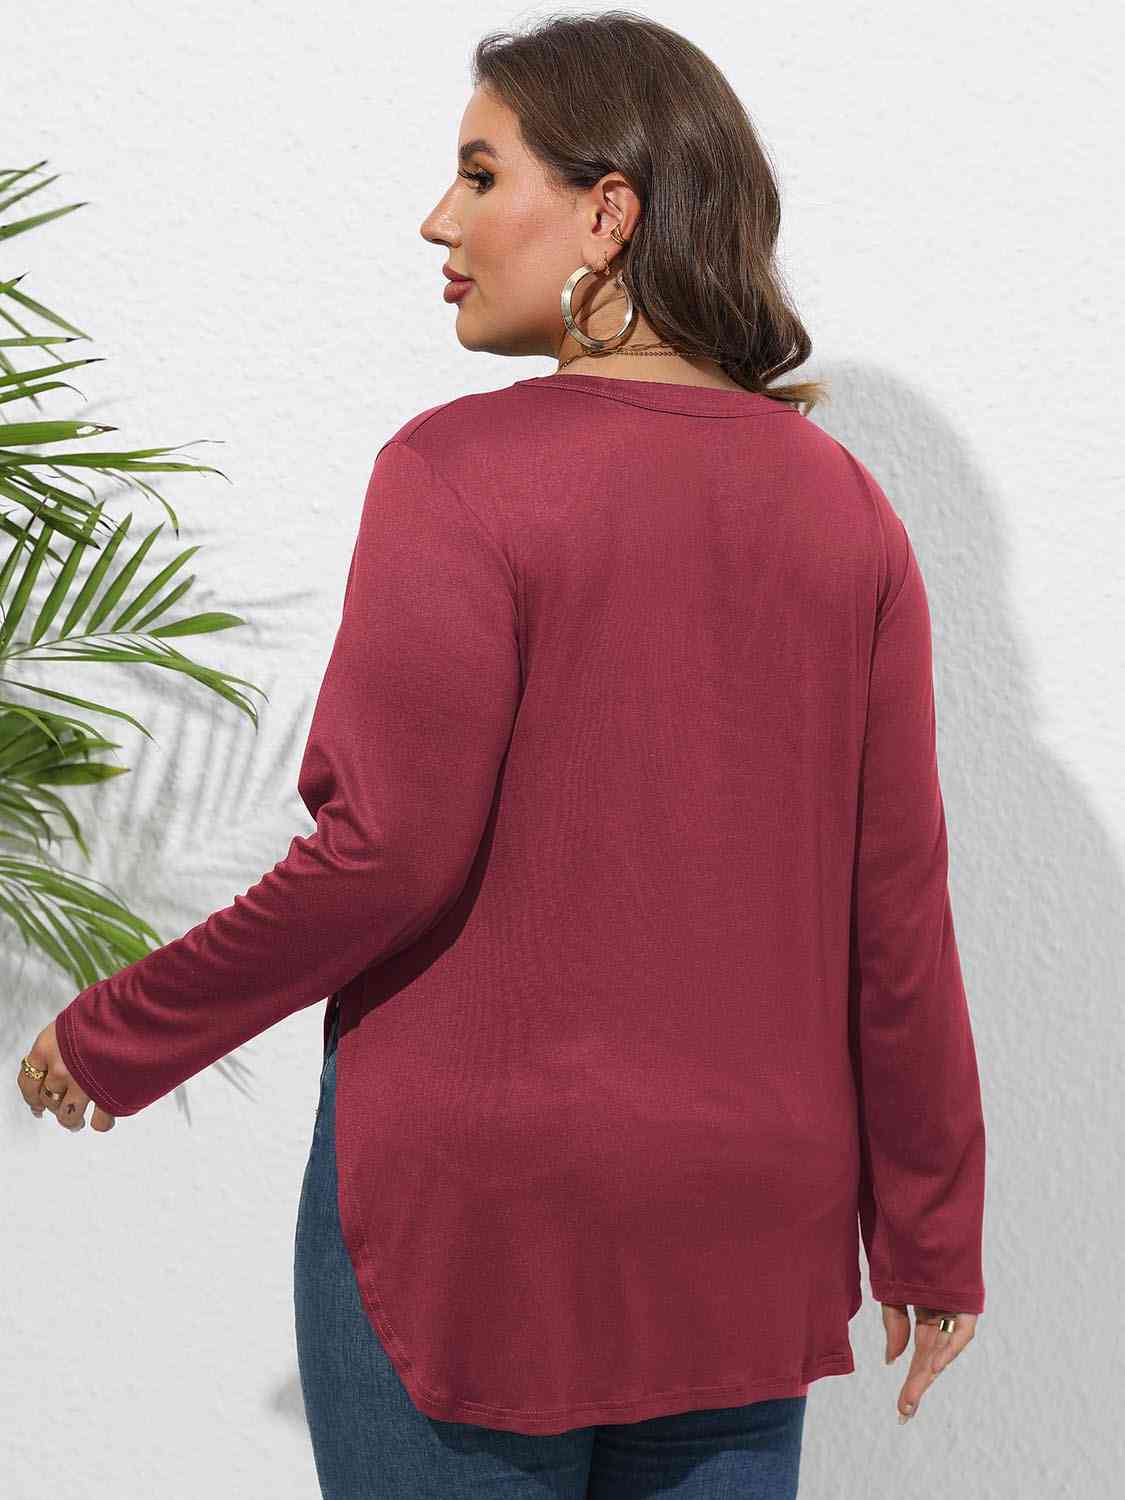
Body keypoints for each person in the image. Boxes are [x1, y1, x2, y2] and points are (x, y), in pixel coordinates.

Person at [19, 12, 986, 1498]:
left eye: (480, 175)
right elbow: (897, 910)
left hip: (484, 1220)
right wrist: (928, 1232)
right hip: (745, 1220)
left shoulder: (457, 474)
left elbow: (383, 856)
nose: (439, 221)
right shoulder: (842, 507)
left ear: (608, 213)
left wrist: (123, 1029)